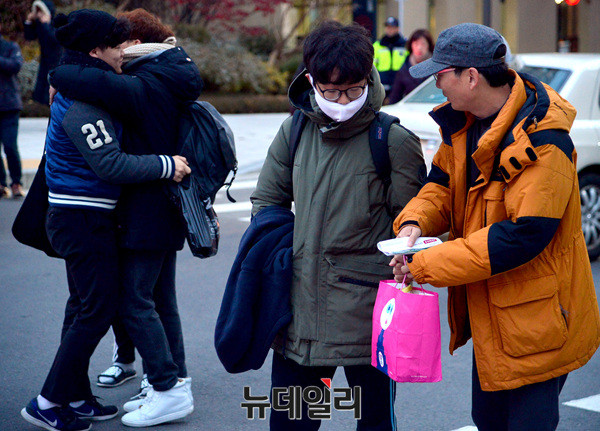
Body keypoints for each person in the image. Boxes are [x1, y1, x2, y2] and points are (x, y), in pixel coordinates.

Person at [389, 23, 600, 431]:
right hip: (494, 316)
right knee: (487, 420)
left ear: (471, 77)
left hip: (538, 324)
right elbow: (441, 185)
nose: (436, 84)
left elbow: (523, 236)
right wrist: (413, 224)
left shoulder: (544, 139)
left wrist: (425, 264)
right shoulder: (464, 123)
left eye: (441, 74)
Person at [20, 9, 192, 431]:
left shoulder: (83, 89)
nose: (123, 54)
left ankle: (75, 396)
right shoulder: (81, 102)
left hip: (84, 217)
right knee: (96, 310)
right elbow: (110, 164)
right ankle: (49, 401)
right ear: (96, 51)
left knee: (84, 306)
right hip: (80, 219)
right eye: (117, 46)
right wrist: (166, 165)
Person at [250, 21, 424, 430]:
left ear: (368, 79)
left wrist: (409, 254)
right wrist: (282, 254)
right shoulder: (294, 130)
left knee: (374, 423)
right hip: (300, 316)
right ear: (311, 81)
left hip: (370, 320)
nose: (342, 101)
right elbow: (267, 201)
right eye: (331, 91)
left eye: (352, 90)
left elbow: (417, 220)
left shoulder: (392, 140)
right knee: (291, 423)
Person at [0, 24, 24, 198]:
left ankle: (16, 183)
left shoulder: (10, 47)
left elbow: (15, 65)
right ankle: (1, 183)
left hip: (9, 105)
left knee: (10, 146)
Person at [24, 0, 62, 106]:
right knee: (42, 81)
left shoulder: (56, 23)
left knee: (51, 83)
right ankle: (40, 104)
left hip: (56, 59)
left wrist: (46, 24)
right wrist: (29, 21)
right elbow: (30, 36)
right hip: (45, 57)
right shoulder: (40, 23)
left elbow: (53, 39)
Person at [388, 29, 434, 104]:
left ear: (429, 46)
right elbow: (395, 97)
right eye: (416, 44)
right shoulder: (404, 69)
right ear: (411, 46)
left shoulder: (437, 68)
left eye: (423, 44)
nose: (419, 48)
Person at [373, 16, 407, 99]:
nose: (390, 30)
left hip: (400, 83)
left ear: (397, 28)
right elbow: (372, 66)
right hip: (382, 84)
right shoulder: (377, 45)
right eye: (388, 27)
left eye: (392, 27)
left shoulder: (405, 45)